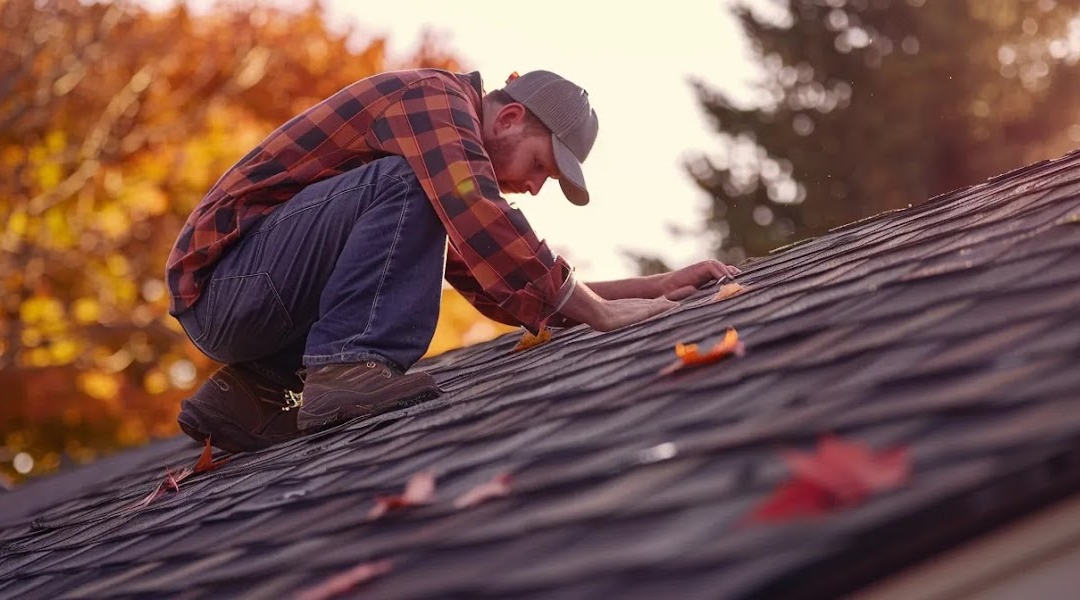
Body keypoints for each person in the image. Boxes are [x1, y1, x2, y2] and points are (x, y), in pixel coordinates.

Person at [165, 68, 741, 452]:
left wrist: (653, 288)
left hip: (252, 302)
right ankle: (347, 366)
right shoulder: (435, 103)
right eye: (541, 166)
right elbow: (485, 218)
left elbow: (505, 292)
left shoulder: (433, 181)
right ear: (510, 119)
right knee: (411, 179)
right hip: (229, 282)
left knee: (428, 198)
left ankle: (250, 395)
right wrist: (601, 316)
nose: (535, 188)